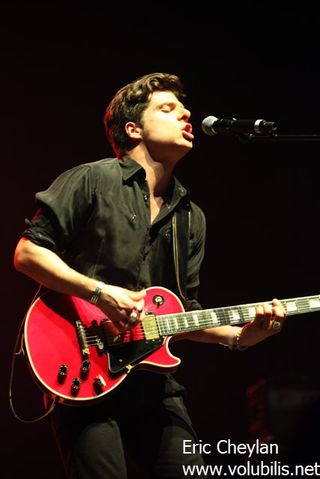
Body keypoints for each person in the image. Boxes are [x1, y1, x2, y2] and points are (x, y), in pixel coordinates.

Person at [14, 72, 286, 479]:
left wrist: (239, 337)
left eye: (184, 108)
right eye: (168, 108)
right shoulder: (93, 179)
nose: (186, 114)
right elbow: (27, 253)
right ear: (133, 128)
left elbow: (183, 312)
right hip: (82, 364)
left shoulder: (192, 217)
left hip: (153, 381)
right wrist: (99, 292)